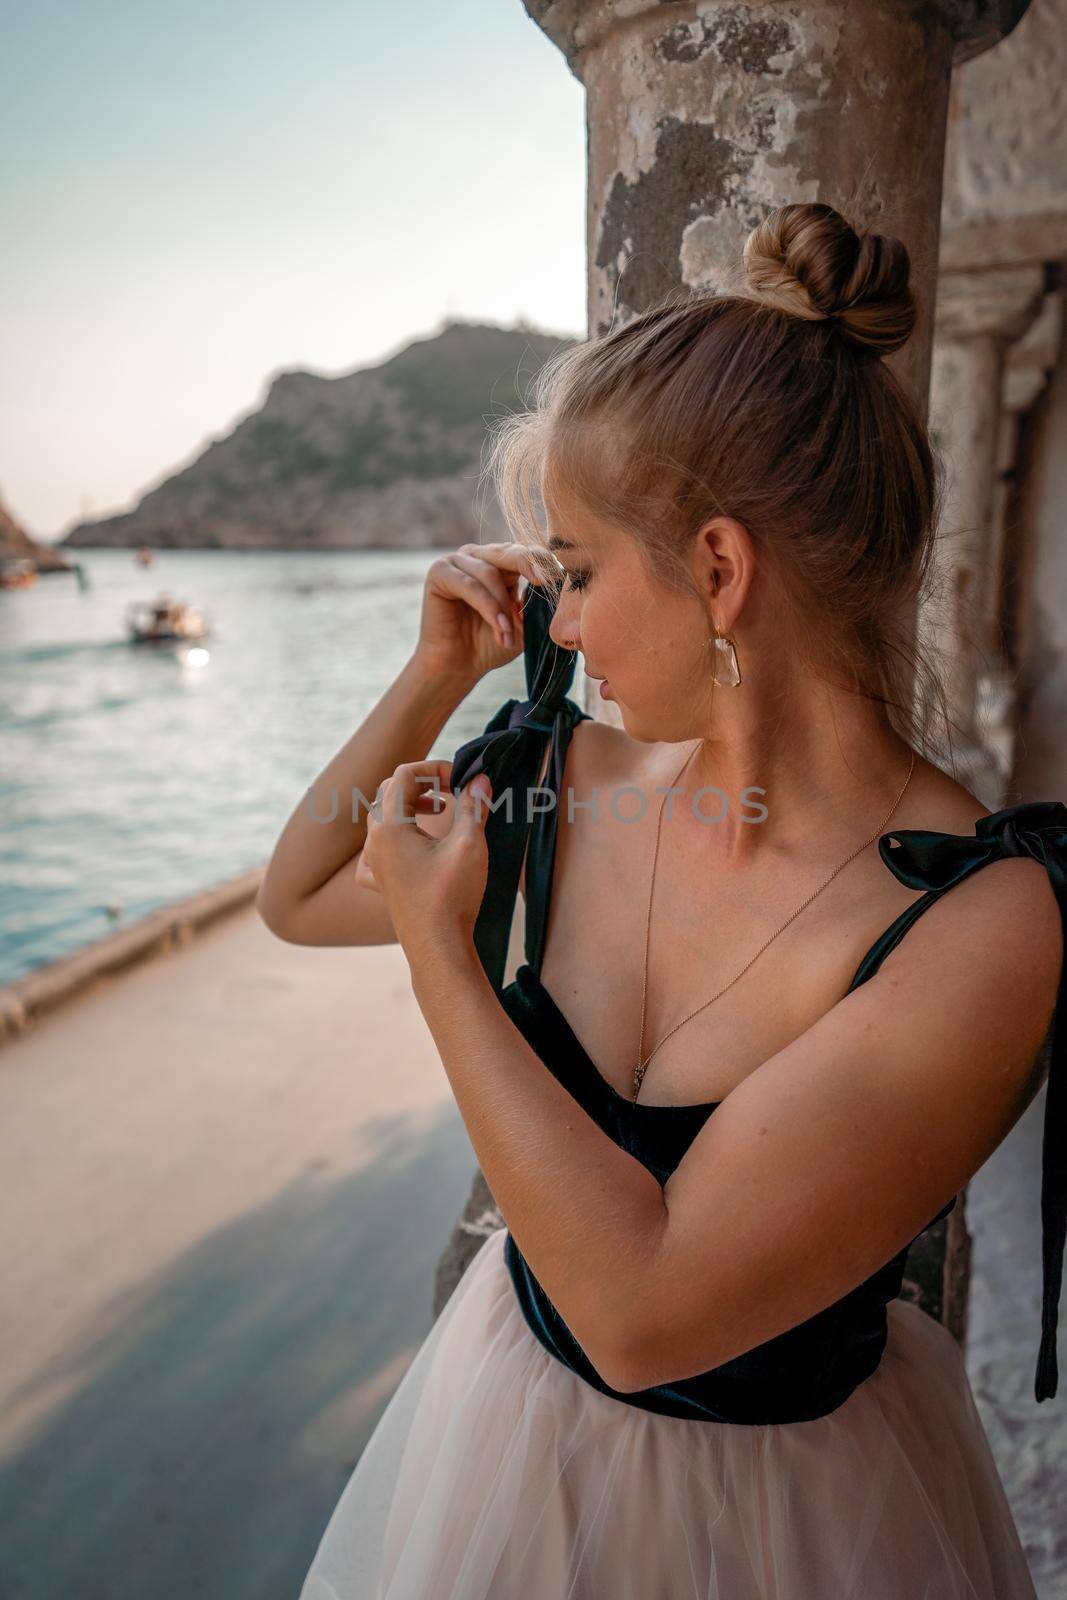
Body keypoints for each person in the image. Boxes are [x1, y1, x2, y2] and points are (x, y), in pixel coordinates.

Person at [259, 202, 1067, 1598]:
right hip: (496, 1443)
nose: (557, 626)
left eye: (575, 574)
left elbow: (638, 1318)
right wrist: (434, 675)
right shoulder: (567, 780)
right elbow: (307, 889)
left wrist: (448, 967)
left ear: (716, 569)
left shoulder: (980, 921)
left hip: (795, 1528)